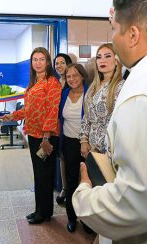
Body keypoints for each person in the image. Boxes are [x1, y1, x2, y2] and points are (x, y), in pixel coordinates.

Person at [73, 0, 147, 244]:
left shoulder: (140, 95)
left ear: (132, 35)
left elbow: (136, 203)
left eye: (114, 28)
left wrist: (84, 195)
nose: (113, 37)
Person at [3, 47, 62, 224]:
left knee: (44, 175)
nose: (38, 62)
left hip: (46, 136)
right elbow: (29, 110)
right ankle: (42, 210)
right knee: (39, 174)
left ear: (47, 62)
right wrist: (13, 115)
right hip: (33, 133)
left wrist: (46, 137)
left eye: (41, 59)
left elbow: (52, 110)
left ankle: (42, 213)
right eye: (34, 59)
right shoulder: (33, 82)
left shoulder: (52, 82)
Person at [79, 43, 124, 157]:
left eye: (107, 56)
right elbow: (87, 116)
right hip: (90, 151)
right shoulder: (93, 86)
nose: (102, 60)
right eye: (99, 57)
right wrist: (84, 140)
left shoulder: (120, 87)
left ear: (116, 60)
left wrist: (99, 149)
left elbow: (119, 125)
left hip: (109, 152)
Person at [59, 63, 88, 232]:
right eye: (69, 76)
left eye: (75, 75)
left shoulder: (90, 93)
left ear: (83, 76)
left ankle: (87, 219)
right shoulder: (64, 94)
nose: (72, 79)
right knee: (71, 182)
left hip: (87, 144)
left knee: (87, 182)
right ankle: (71, 217)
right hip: (69, 144)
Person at [53, 53, 73, 205]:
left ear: (68, 64)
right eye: (57, 63)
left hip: (70, 125)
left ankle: (71, 189)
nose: (59, 66)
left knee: (69, 158)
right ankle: (64, 187)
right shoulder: (54, 82)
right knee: (60, 157)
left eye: (62, 63)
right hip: (55, 125)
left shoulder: (73, 82)